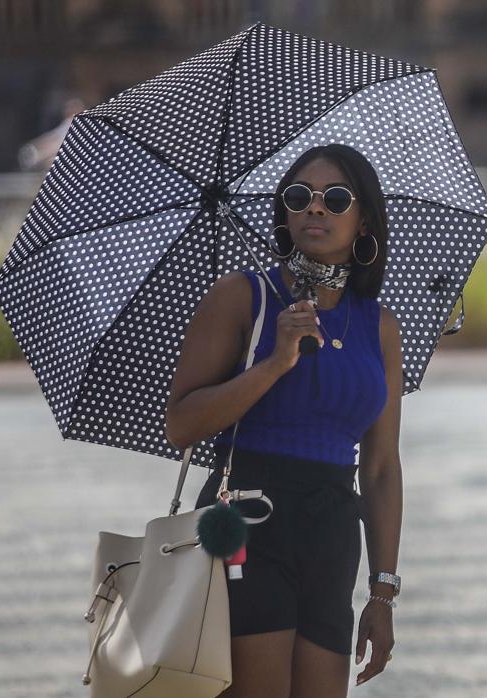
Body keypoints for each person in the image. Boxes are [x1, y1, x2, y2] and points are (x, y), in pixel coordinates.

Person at [166, 144, 404, 697]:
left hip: (332, 532)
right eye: (300, 197)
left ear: (363, 217)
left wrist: (383, 591)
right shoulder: (241, 296)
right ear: (285, 212)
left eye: (335, 198)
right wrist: (275, 362)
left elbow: (382, 469)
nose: (315, 209)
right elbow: (182, 424)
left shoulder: (379, 325)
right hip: (246, 519)